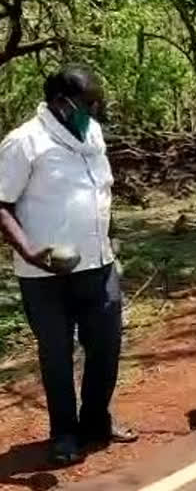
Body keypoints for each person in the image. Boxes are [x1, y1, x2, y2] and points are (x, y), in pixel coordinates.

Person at [0, 65, 137, 465]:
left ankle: (96, 420)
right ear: (61, 103)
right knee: (56, 354)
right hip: (45, 274)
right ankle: (63, 433)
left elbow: (100, 191)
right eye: (88, 103)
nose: (94, 110)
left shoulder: (92, 133)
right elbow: (2, 204)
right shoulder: (24, 142)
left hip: (98, 264)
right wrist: (28, 251)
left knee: (106, 346)